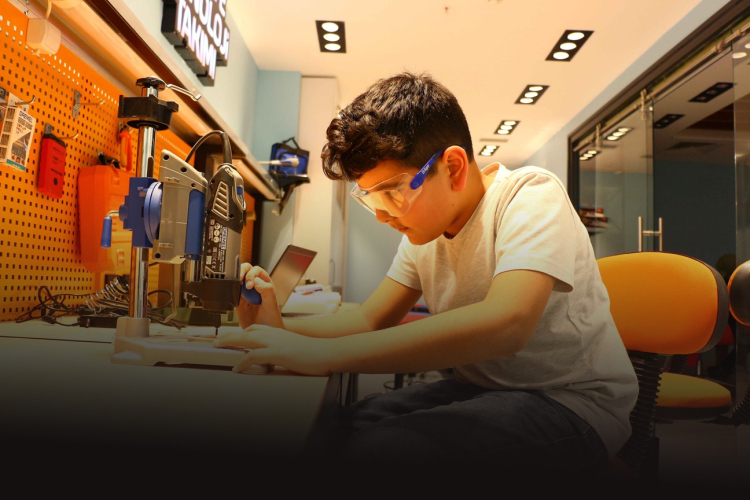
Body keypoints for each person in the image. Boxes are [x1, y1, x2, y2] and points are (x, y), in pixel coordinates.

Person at [216, 72, 638, 473]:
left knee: (380, 452)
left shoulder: (529, 194)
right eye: (370, 198)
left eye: (392, 192)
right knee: (337, 425)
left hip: (571, 403)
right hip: (483, 387)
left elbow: (507, 323)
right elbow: (369, 319)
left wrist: (320, 356)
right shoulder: (424, 235)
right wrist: (278, 330)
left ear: (453, 167)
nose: (382, 216)